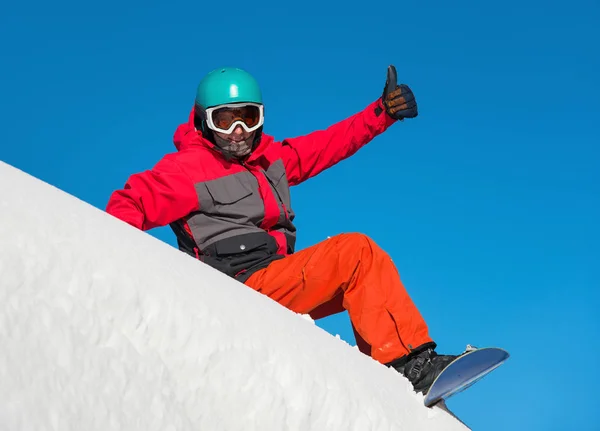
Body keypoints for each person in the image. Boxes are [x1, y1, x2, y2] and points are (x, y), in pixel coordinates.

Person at [106, 65, 457, 393]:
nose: (238, 131)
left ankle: (389, 379)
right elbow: (130, 203)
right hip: (235, 285)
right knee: (356, 255)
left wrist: (381, 114)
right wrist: (125, 272)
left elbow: (328, 145)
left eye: (247, 117)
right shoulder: (186, 169)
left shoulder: (270, 159)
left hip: (275, 277)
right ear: (204, 122)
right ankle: (412, 367)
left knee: (366, 283)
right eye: (225, 120)